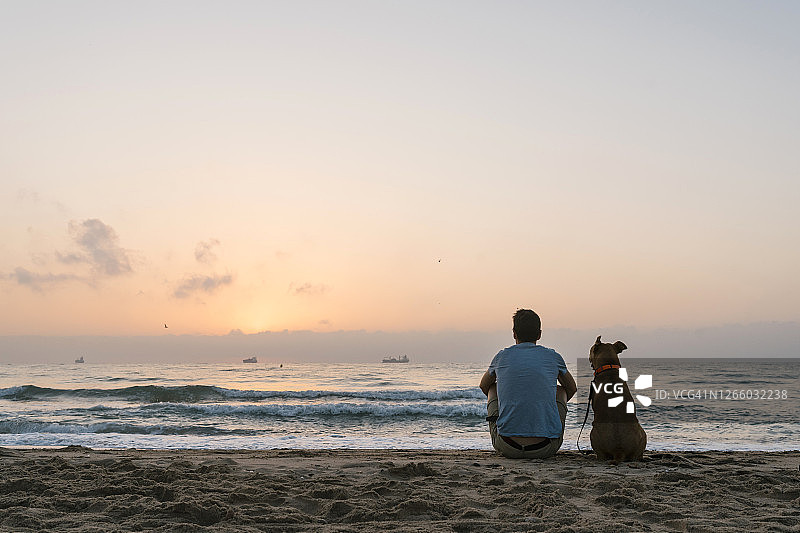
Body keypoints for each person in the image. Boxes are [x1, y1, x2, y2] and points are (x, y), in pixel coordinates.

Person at [479, 309, 577, 458]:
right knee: (561, 390)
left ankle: (507, 427)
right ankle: (548, 427)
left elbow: (483, 385)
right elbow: (572, 388)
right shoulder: (553, 357)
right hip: (545, 447)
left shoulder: (501, 357)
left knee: (493, 387)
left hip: (507, 446)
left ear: (514, 333)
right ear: (539, 334)